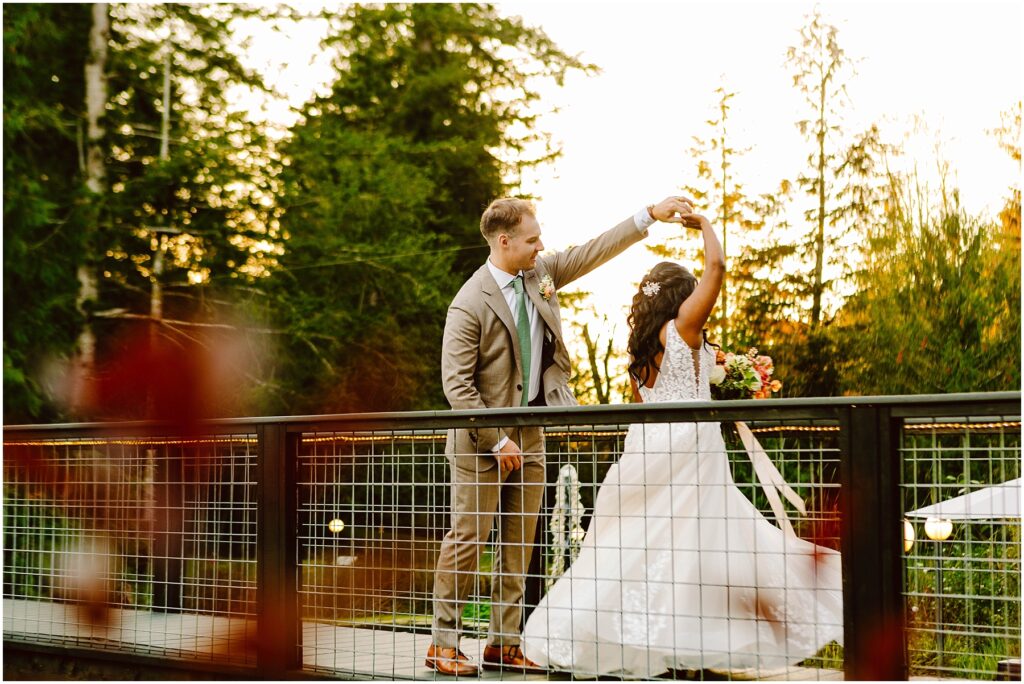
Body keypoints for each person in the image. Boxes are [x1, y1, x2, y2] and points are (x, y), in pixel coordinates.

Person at [522, 206, 844, 677]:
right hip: (690, 449)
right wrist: (706, 226)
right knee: (702, 546)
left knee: (640, 546)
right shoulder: (683, 330)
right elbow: (717, 268)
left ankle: (630, 637)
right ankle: (701, 645)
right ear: (682, 297)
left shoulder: (641, 351)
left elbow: (646, 409)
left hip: (645, 452)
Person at [426, 195, 695, 676]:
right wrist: (494, 440)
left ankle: (502, 643)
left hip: (531, 433)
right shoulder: (468, 302)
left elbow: (592, 251)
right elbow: (456, 386)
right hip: (481, 444)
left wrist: (649, 215)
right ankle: (443, 644)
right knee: (468, 540)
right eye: (532, 239)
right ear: (503, 241)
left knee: (519, 544)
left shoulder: (540, 275)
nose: (541, 245)